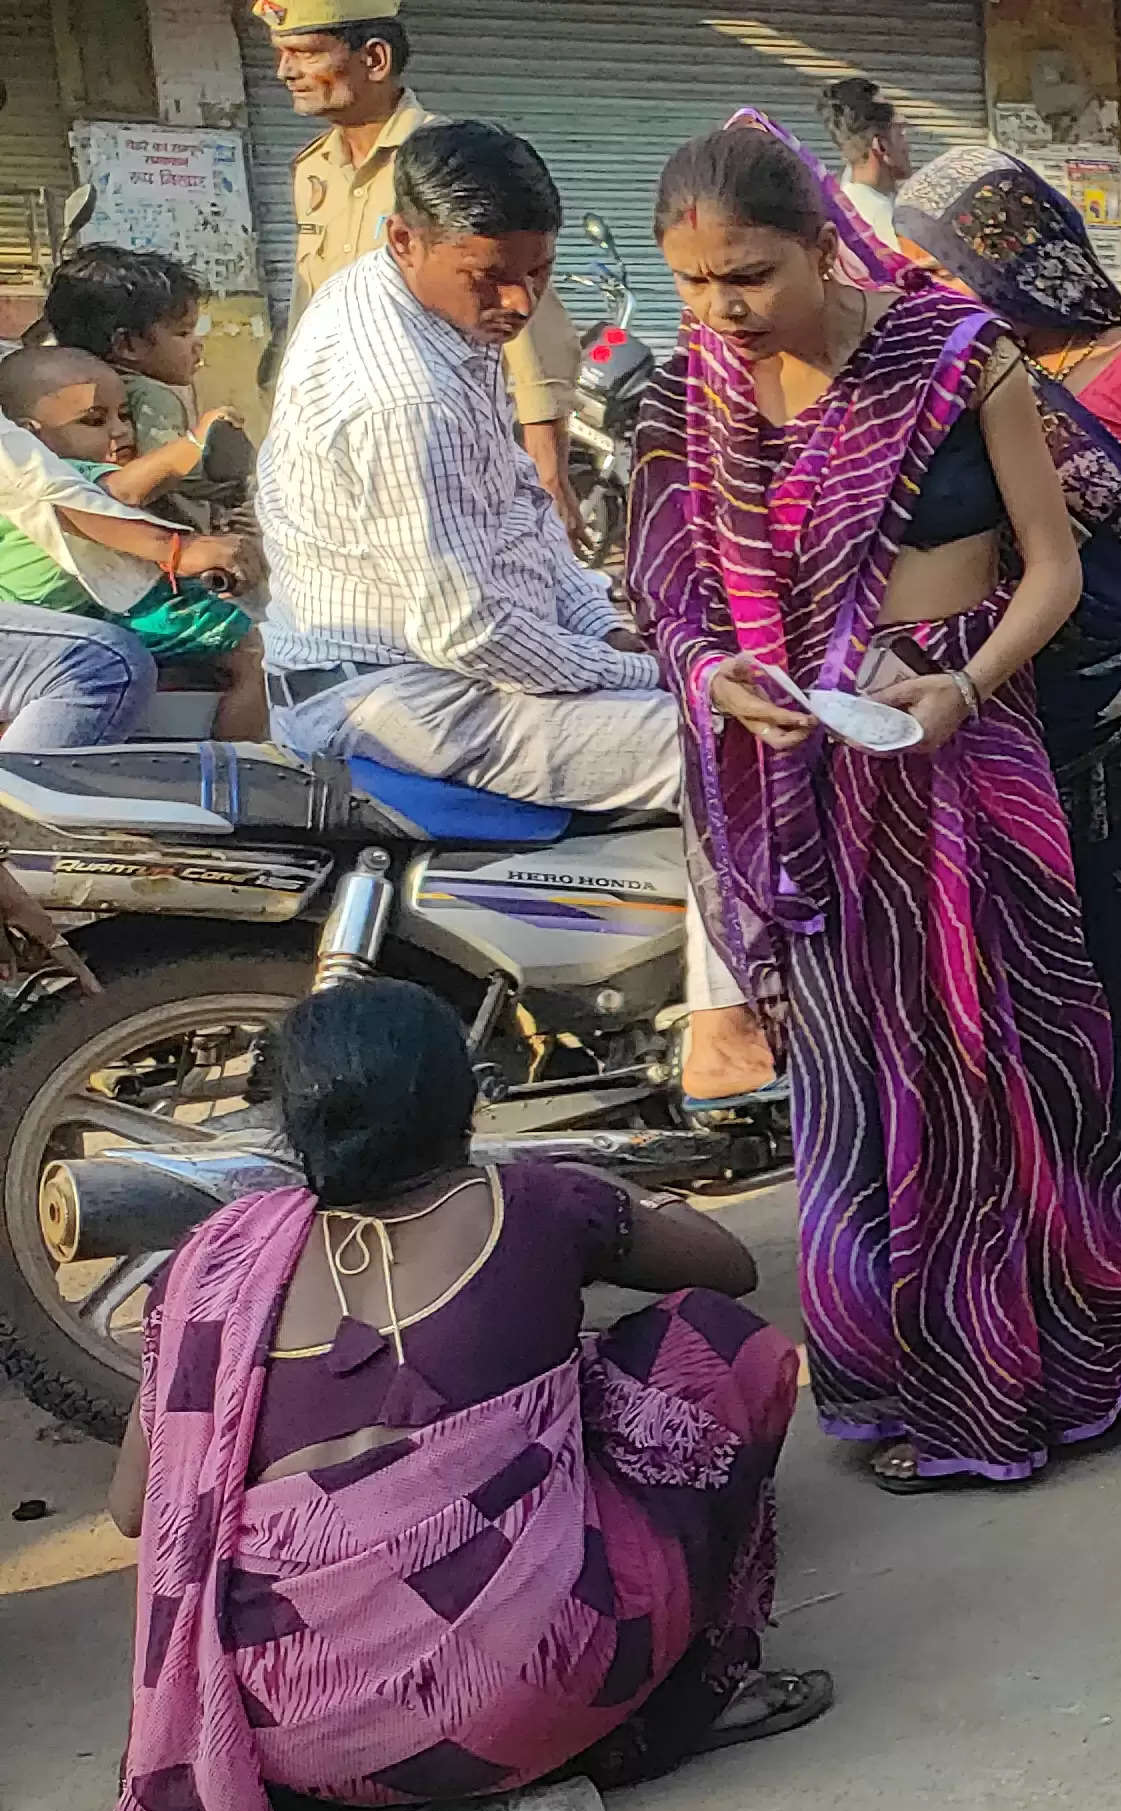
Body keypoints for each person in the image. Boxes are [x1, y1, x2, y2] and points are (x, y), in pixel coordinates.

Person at [628, 115, 1121, 1490]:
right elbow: (667, 594)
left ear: (825, 243)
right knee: (863, 1083)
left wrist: (963, 683)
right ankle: (900, 1396)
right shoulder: (686, 401)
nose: (725, 311)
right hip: (807, 775)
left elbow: (1049, 570)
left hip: (968, 748)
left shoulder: (955, 357)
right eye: (695, 284)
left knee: (1021, 1064)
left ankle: (1071, 1370)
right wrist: (719, 678)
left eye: (750, 275)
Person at [102, 980, 821, 1811]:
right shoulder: (533, 1206)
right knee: (717, 1348)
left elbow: (134, 1510)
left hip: (290, 1742)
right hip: (538, 1706)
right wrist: (600, 1218)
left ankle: (374, 1741)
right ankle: (683, 1695)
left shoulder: (214, 1267)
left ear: (290, 1123)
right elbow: (729, 1270)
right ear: (467, 1101)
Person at [253, 120, 777, 1101]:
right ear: (404, 240)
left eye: (535, 274)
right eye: (489, 275)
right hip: (404, 689)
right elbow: (469, 631)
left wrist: (605, 616)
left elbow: (512, 513)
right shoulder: (406, 392)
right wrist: (658, 668)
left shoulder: (393, 302)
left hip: (376, 662)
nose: (516, 302)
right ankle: (727, 1028)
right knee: (725, 737)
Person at [886, 144, 1121, 1343]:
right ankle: (1114, 1256)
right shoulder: (963, 380)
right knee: (1089, 993)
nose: (923, 281)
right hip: (1058, 734)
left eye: (939, 258)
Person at [263, 0, 585, 533]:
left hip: (445, 438)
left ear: (375, 58)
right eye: (281, 55)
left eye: (305, 53)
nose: (286, 72)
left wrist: (548, 472)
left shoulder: (450, 162)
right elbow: (310, 309)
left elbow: (523, 312)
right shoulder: (313, 169)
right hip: (349, 446)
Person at [0, 348, 266, 739]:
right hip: (76, 623)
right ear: (30, 433)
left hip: (69, 618)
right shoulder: (63, 474)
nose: (120, 430)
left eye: (124, 415)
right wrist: (195, 443)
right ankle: (241, 775)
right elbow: (120, 493)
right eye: (93, 420)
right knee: (256, 651)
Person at [891, 146, 1121, 481]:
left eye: (943, 275)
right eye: (917, 281)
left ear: (1009, 257)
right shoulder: (964, 382)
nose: (932, 298)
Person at [43, 245, 237, 525]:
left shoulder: (64, 391)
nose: (198, 344)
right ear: (128, 345)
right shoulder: (150, 395)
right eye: (183, 332)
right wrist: (238, 487)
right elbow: (178, 472)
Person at [821, 77, 915, 242]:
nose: (909, 147)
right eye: (900, 134)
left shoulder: (842, 202)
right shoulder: (882, 221)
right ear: (881, 146)